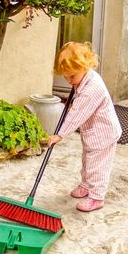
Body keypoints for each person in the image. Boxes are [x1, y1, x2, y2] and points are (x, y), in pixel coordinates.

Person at [48, 42, 122, 212]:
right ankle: (86, 185)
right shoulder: (84, 79)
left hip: (104, 134)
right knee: (87, 162)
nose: (68, 81)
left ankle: (97, 197)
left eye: (71, 77)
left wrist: (60, 134)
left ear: (84, 66)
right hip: (93, 134)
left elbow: (76, 115)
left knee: (98, 167)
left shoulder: (92, 89)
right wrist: (75, 85)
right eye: (65, 77)